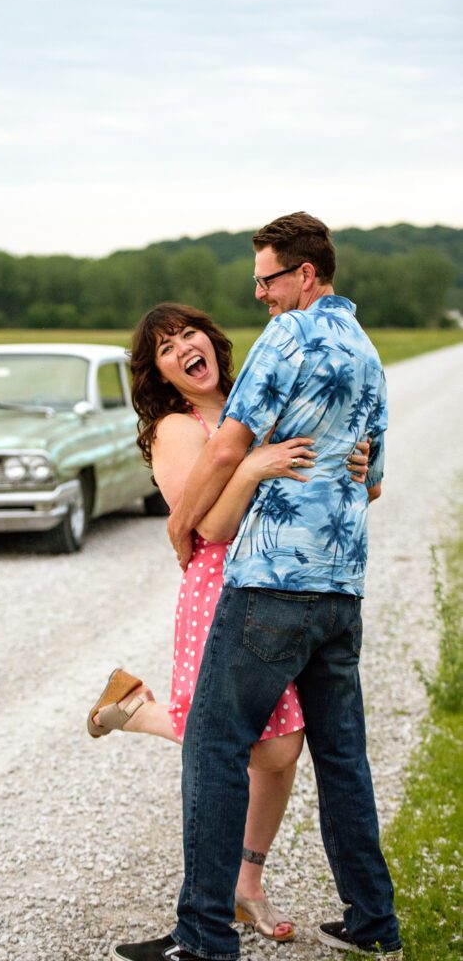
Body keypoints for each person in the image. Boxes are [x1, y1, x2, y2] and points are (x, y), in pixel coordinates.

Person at [113, 213, 403, 961]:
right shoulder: (366, 353)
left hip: (271, 581)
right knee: (341, 758)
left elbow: (230, 451)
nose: (261, 297)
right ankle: (373, 923)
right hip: (340, 589)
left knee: (212, 746)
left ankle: (204, 938)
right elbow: (369, 481)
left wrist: (179, 528)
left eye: (267, 280)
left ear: (303, 275)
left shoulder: (289, 335)